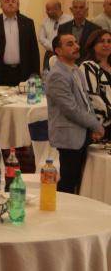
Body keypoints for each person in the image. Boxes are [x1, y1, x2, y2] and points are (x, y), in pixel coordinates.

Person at [45, 33, 104, 193]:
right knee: (68, 183)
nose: (76, 46)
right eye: (70, 44)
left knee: (78, 181)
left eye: (76, 42)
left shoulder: (76, 70)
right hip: (69, 136)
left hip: (81, 133)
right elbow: (71, 109)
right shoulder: (57, 75)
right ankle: (60, 208)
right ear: (58, 50)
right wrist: (95, 124)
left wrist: (92, 126)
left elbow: (86, 102)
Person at [0, 0, 40, 85]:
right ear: (1, 6)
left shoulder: (28, 23)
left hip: (23, 72)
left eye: (13, 1)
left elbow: (34, 50)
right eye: (7, 1)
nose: (10, 3)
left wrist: (35, 75)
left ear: (17, 5)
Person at [82, 29, 111, 141]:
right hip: (102, 124)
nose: (106, 44)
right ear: (93, 45)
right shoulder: (88, 67)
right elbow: (93, 99)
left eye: (109, 41)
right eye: (102, 41)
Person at [57, 0, 102, 65]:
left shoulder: (95, 29)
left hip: (87, 65)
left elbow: (96, 51)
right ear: (71, 10)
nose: (78, 10)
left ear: (86, 10)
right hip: (67, 65)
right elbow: (60, 48)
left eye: (81, 7)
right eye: (75, 7)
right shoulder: (63, 28)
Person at [39, 0, 72, 69]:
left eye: (48, 9)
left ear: (57, 9)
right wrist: (53, 47)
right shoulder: (45, 21)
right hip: (50, 54)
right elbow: (41, 38)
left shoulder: (70, 20)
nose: (46, 12)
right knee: (47, 74)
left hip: (65, 55)